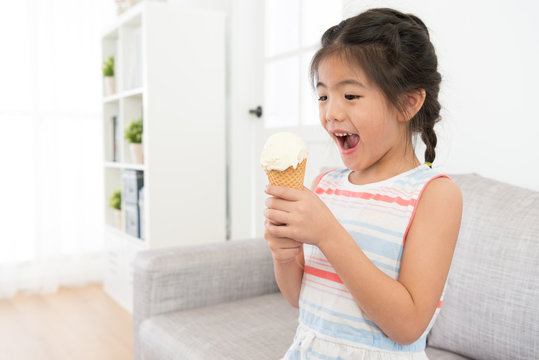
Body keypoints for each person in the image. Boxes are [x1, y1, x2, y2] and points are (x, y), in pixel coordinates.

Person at [263, 8, 463, 360]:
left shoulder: (434, 196)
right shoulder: (325, 184)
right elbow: (299, 298)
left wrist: (328, 233)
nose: (331, 113)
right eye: (323, 96)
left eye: (350, 96)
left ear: (407, 102)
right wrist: (285, 254)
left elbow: (408, 325)